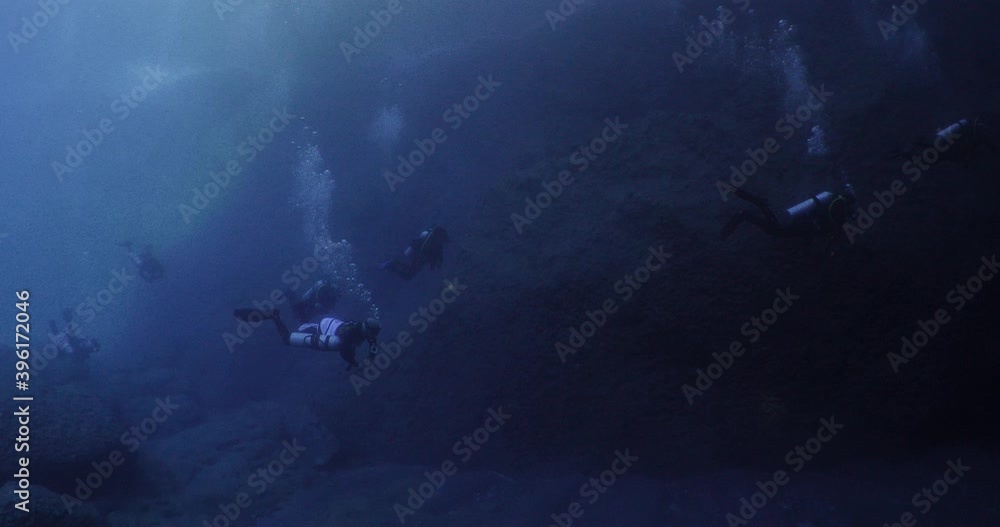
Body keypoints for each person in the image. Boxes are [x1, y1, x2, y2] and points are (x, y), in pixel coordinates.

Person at [234, 308, 380, 370]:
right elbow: (344, 351)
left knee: (304, 325)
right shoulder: (351, 335)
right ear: (367, 330)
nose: (373, 337)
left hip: (329, 323)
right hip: (325, 329)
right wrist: (355, 363)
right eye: (373, 334)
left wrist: (371, 358)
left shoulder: (363, 328)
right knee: (286, 339)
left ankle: (303, 322)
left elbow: (372, 344)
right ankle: (274, 316)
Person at [721, 185, 858, 244]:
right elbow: (834, 221)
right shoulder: (837, 204)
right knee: (775, 226)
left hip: (798, 225)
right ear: (848, 202)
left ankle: (749, 206)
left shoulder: (833, 202)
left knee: (773, 225)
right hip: (797, 226)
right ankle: (745, 209)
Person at [379, 226, 449, 280]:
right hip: (419, 258)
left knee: (409, 272)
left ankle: (394, 263)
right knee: (408, 276)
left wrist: (434, 265)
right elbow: (436, 254)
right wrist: (434, 265)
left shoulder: (435, 242)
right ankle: (392, 264)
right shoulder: (435, 244)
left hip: (418, 256)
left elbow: (437, 255)